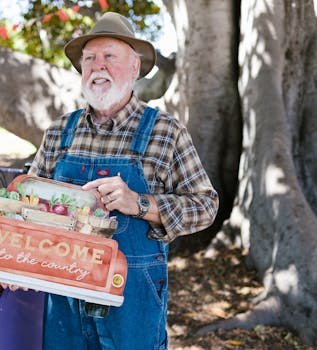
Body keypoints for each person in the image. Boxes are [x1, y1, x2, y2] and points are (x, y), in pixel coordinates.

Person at [23, 12, 219, 350]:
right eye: (89, 59)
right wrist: (14, 263)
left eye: (109, 56)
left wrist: (140, 203)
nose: (98, 66)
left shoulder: (165, 131)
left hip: (131, 299)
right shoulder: (59, 131)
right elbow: (27, 204)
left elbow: (205, 205)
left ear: (135, 67)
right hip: (64, 295)